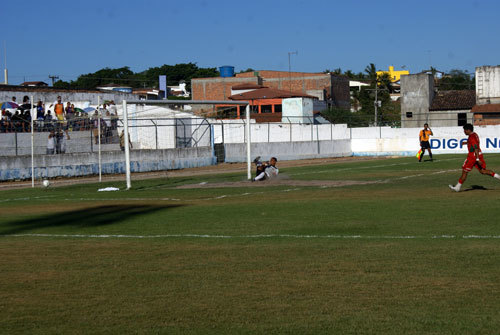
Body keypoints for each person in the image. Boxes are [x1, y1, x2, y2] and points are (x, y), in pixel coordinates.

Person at [449, 123, 500, 192]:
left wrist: (477, 159)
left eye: (465, 130)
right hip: (478, 154)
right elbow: (474, 143)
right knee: (483, 171)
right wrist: (466, 143)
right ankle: (498, 177)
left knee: (465, 171)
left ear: (468, 130)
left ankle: (457, 187)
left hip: (473, 157)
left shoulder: (471, 137)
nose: (464, 132)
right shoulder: (474, 134)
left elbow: (475, 147)